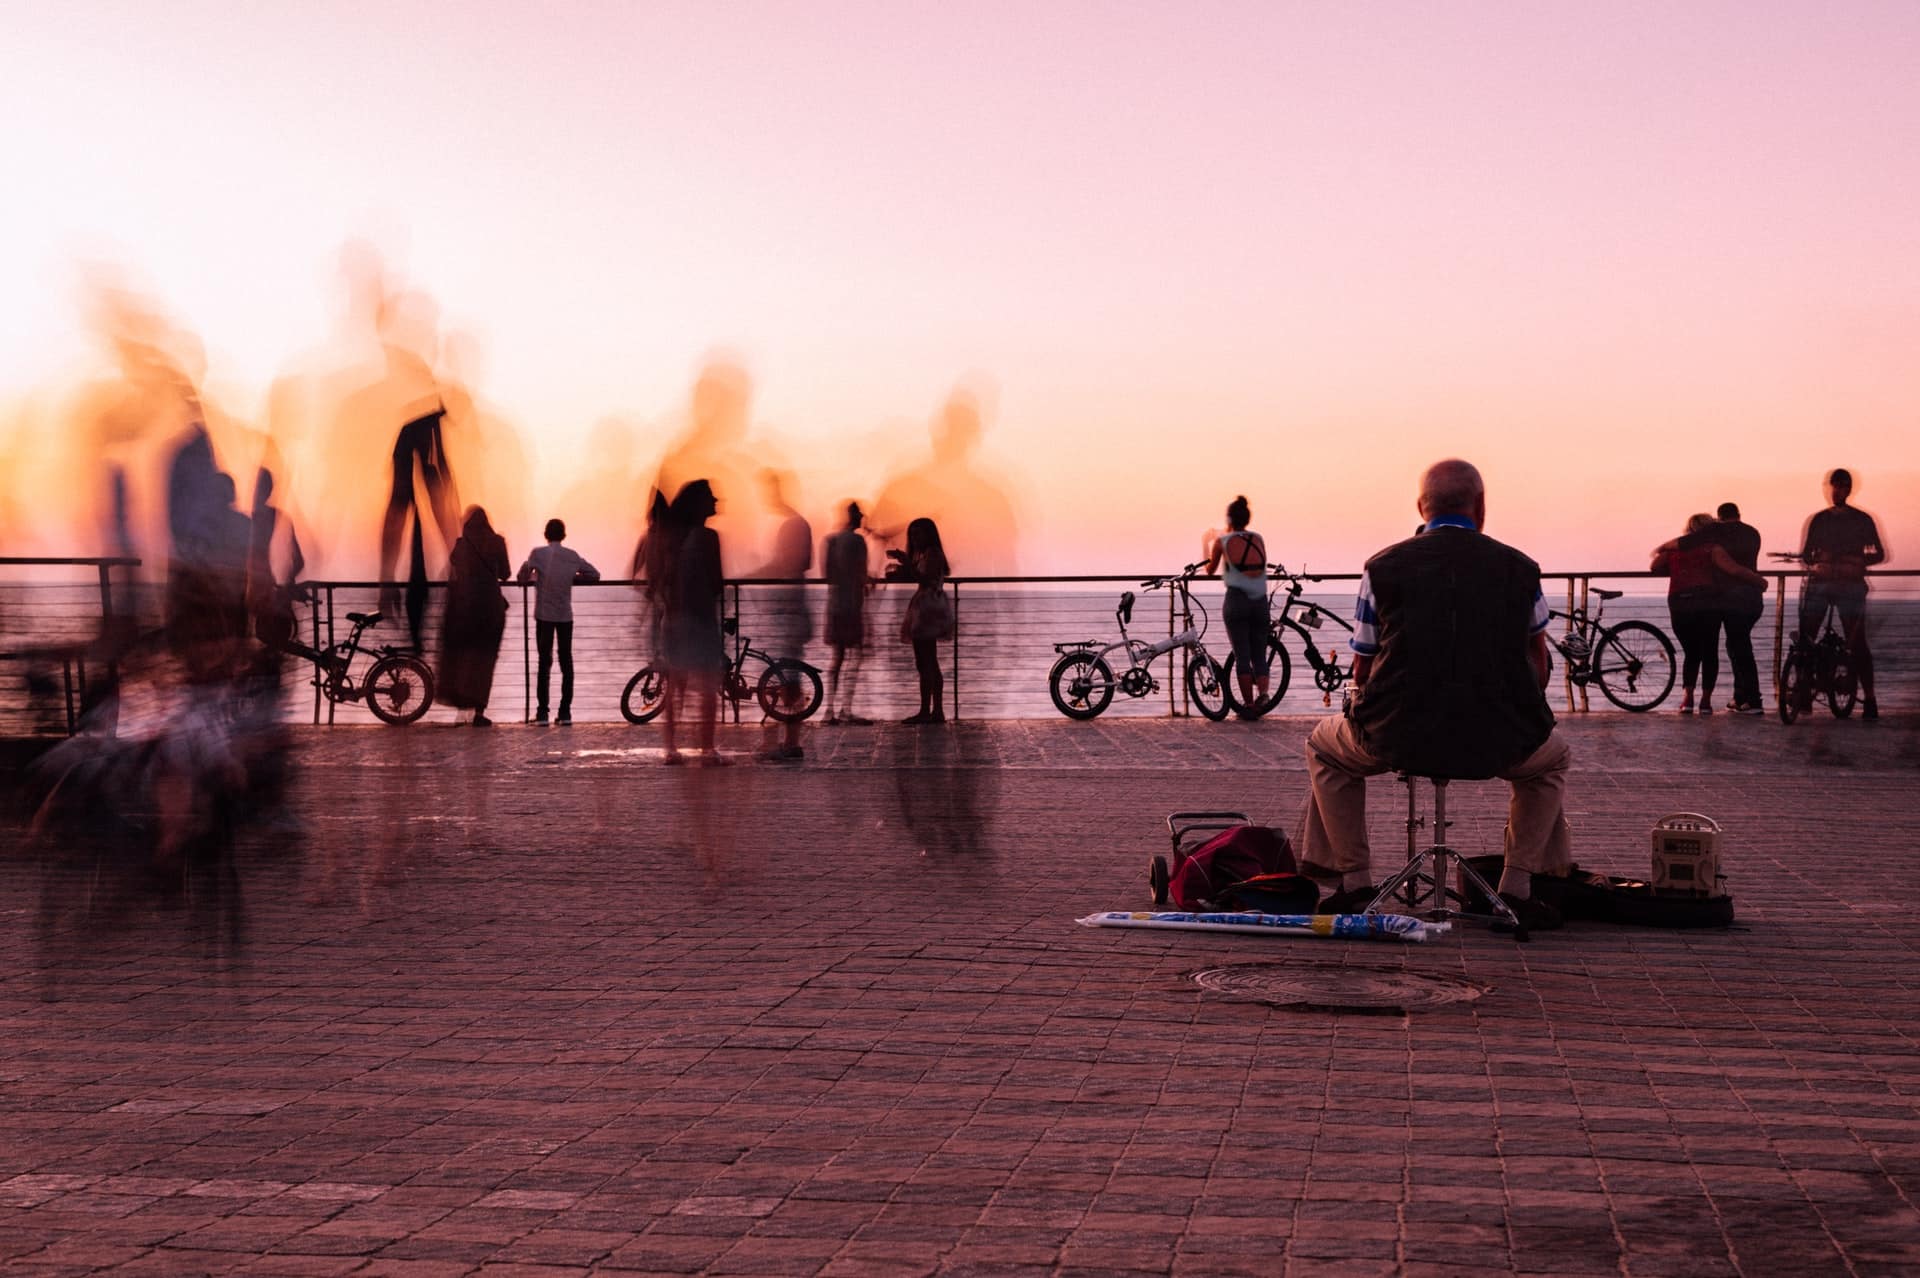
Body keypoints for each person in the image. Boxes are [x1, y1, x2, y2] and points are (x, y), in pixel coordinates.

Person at [1297, 459, 1571, 931]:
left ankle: (1354, 881)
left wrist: (1365, 703)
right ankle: (1519, 888)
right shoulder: (1520, 569)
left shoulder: (1383, 567)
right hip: (1498, 739)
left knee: (1326, 748)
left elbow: (1362, 663)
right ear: (1480, 506)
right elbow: (1539, 662)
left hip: (1397, 736)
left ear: (1421, 507)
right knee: (1552, 758)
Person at [1651, 514, 1767, 715]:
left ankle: (1687, 700)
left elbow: (1654, 566)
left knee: (1691, 652)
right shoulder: (1713, 549)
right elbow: (1735, 570)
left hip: (1679, 604)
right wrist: (1759, 581)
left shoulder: (1674, 550)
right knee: (1709, 652)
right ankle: (1705, 702)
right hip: (1706, 604)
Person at [1798, 468, 1887, 720]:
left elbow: (1879, 553)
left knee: (1856, 640)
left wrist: (1856, 561)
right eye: (1834, 486)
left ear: (1849, 489)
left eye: (1842, 486)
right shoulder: (1819, 519)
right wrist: (1816, 564)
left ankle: (1869, 699)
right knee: (1807, 638)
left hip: (1848, 584)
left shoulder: (1861, 519)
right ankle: (1805, 693)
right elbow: (1806, 554)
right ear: (1829, 488)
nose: (1837, 491)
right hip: (1825, 582)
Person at [660, 480, 725, 765]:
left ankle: (671, 749)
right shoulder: (708, 537)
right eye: (711, 497)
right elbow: (716, 583)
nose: (716, 502)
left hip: (673, 620)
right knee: (708, 686)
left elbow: (661, 581)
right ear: (699, 504)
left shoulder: (670, 539)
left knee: (676, 686)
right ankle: (707, 749)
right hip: (700, 620)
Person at [752, 471, 812, 762]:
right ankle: (784, 740)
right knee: (783, 676)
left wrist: (753, 574)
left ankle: (788, 743)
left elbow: (790, 562)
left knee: (786, 678)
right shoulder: (796, 523)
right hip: (787, 611)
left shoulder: (794, 525)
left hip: (788, 613)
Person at [517, 518, 600, 725]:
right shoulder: (572, 556)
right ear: (563, 535)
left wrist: (528, 567)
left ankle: (543, 713)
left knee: (544, 663)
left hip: (544, 615)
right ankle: (565, 713)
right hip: (565, 615)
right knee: (566, 663)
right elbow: (594, 575)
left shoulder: (537, 554)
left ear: (546, 534)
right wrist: (572, 579)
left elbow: (522, 577)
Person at [437, 506, 510, 726]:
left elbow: (456, 567)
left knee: (465, 659)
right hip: (490, 609)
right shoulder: (497, 542)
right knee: (485, 661)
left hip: (466, 608)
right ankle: (479, 712)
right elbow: (505, 574)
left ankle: (462, 708)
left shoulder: (462, 544)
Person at [1204, 495, 1270, 709]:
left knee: (1242, 654)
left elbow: (1210, 570)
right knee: (1259, 652)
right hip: (1260, 601)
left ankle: (1249, 705)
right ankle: (1264, 694)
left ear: (1229, 519)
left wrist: (1207, 543)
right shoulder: (1258, 538)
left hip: (1237, 601)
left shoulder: (1223, 541)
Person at [888, 517, 951, 724]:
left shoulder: (933, 553)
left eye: (918, 534)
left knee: (928, 661)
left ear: (928, 534)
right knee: (924, 661)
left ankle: (932, 711)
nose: (914, 538)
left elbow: (927, 579)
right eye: (912, 534)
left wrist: (908, 563)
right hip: (924, 607)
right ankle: (930, 710)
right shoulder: (924, 553)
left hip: (927, 608)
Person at [1707, 502, 1766, 715]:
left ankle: (1753, 699)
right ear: (1738, 514)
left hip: (1732, 598)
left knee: (1740, 648)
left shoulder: (1719, 534)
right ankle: (1739, 697)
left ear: (1720, 517)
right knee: (1736, 644)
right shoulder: (1753, 533)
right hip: (1753, 597)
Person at [822, 502, 873, 725]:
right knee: (855, 657)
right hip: (852, 605)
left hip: (834, 605)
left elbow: (828, 574)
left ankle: (829, 709)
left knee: (837, 659)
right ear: (855, 516)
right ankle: (846, 709)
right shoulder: (858, 541)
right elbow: (861, 572)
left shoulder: (831, 540)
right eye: (860, 514)